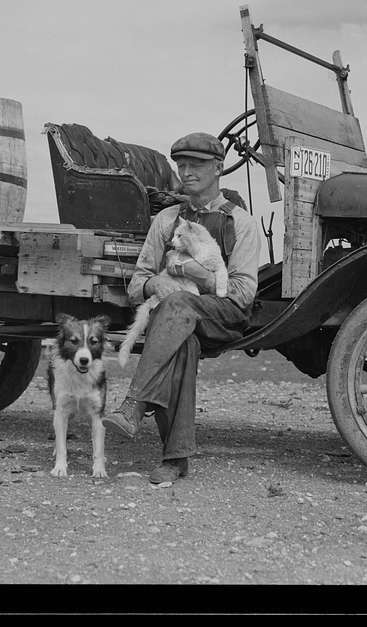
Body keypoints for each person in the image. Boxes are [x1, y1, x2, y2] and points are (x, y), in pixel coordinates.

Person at [102, 132, 262, 484]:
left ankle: (133, 403)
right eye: (182, 165)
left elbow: (241, 294)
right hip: (178, 317)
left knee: (175, 307)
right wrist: (152, 283)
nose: (187, 171)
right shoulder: (167, 219)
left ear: (219, 168)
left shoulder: (242, 224)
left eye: (197, 165)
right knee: (181, 345)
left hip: (223, 316)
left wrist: (192, 272)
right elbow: (136, 284)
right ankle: (175, 460)